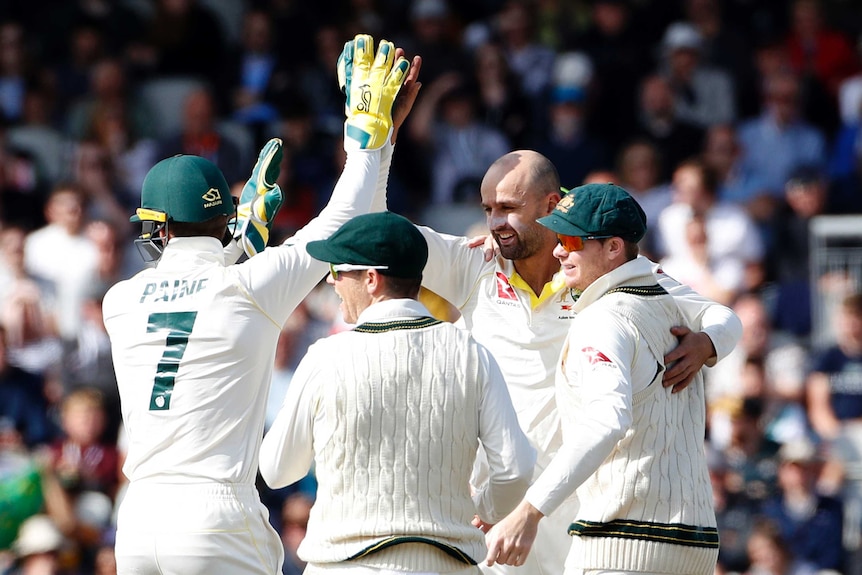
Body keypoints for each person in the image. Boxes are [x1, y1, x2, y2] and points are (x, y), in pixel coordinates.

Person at [101, 34, 417, 575]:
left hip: (137, 522)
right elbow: (341, 223)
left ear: (160, 228)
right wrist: (369, 138)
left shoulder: (120, 300)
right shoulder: (248, 288)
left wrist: (241, 242)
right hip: (214, 517)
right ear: (222, 221)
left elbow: (192, 278)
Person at [378, 150, 741, 575]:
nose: (496, 222)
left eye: (509, 208)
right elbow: (375, 238)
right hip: (502, 508)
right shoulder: (473, 263)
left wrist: (706, 344)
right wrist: (375, 142)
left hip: (581, 508)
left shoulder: (612, 281)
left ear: (551, 206)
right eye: (489, 209)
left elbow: (723, 317)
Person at [259, 211, 535, 574]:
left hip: (345, 565)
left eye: (339, 271)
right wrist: (483, 509)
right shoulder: (470, 351)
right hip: (448, 564)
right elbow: (515, 469)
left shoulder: (326, 356)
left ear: (371, 279)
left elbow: (278, 470)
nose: (332, 280)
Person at [484, 183, 721, 575]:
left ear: (613, 248)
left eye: (571, 239)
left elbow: (606, 421)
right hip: (693, 543)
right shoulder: (676, 309)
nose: (558, 250)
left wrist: (527, 512)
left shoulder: (603, 318)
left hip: (621, 544)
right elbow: (724, 319)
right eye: (557, 237)